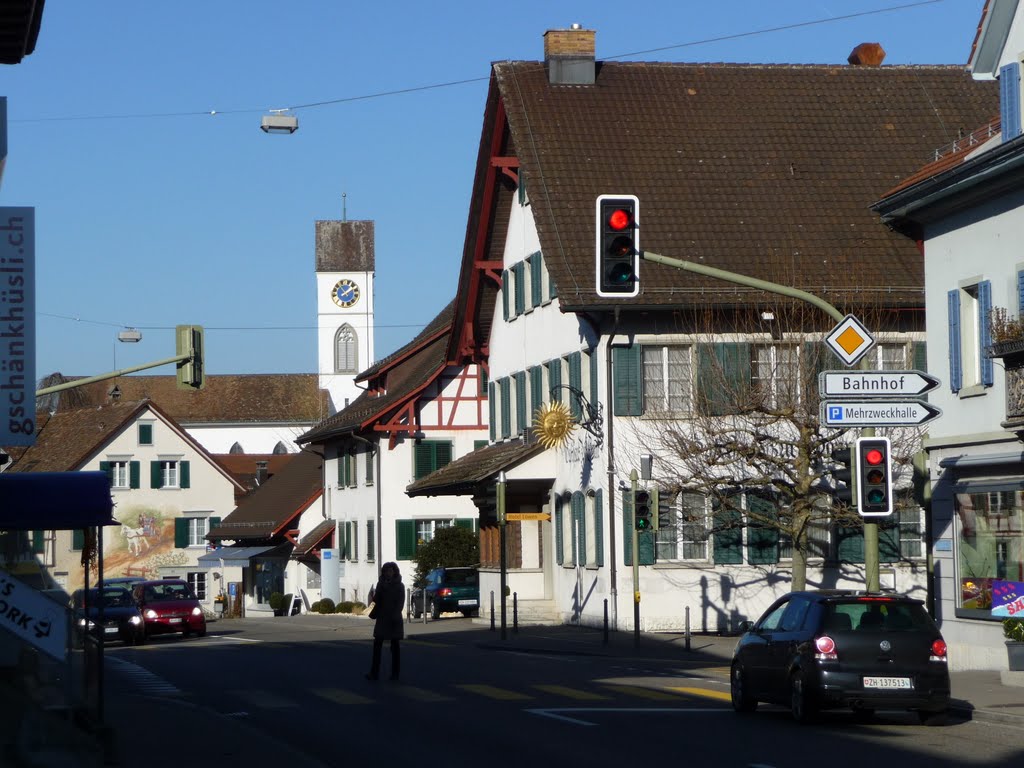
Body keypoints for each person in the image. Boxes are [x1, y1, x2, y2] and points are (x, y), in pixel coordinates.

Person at [366, 561, 404, 681]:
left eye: (390, 571)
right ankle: (374, 673)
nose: (388, 573)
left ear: (394, 572)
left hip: (394, 620)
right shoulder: (381, 584)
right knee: (377, 646)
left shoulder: (400, 586)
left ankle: (395, 674)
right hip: (382, 618)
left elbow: (400, 603)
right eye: (386, 571)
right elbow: (376, 600)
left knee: (395, 647)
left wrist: (395, 615)